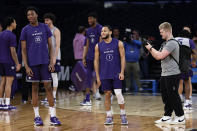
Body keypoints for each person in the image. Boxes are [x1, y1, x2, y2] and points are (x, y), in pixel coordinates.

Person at [20, 7, 61, 126]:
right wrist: (26, 66)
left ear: (37, 15)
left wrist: (52, 61)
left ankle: (53, 116)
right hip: (32, 64)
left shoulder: (44, 27)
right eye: (28, 15)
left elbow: (51, 45)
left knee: (48, 87)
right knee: (34, 88)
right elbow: (23, 50)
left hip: (45, 62)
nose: (30, 17)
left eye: (32, 14)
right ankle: (37, 116)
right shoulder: (25, 30)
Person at [145, 22, 185, 124]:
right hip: (165, 73)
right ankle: (167, 115)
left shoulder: (172, 43)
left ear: (167, 31)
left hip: (173, 73)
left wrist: (149, 48)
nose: (161, 34)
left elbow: (160, 56)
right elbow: (157, 55)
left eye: (162, 32)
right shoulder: (164, 43)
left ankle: (180, 116)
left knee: (173, 95)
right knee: (166, 96)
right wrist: (150, 48)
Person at [94, 25, 128, 125]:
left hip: (116, 73)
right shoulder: (98, 46)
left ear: (110, 32)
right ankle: (109, 116)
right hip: (104, 74)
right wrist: (97, 76)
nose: (102, 33)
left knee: (118, 94)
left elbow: (123, 58)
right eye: (101, 31)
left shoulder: (118, 43)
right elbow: (96, 61)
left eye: (105, 31)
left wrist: (122, 72)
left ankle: (123, 115)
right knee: (107, 95)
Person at [81, 12, 102, 105]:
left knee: (101, 76)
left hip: (98, 57)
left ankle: (105, 93)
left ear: (95, 19)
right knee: (88, 77)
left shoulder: (100, 28)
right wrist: (83, 57)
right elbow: (87, 44)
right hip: (89, 57)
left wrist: (99, 56)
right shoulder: (88, 30)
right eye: (88, 19)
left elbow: (101, 44)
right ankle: (87, 98)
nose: (89, 20)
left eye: (91, 19)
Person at [0, 17, 21, 110]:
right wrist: (17, 63)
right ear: (11, 23)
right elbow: (12, 51)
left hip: (1, 61)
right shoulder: (12, 36)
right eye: (15, 22)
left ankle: (1, 103)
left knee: (2, 82)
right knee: (9, 83)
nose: (16, 24)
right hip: (9, 61)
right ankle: (7, 104)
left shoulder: (0, 34)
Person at [42, 13, 61, 104]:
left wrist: (54, 58)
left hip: (55, 56)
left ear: (51, 20)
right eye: (45, 20)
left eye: (47, 20)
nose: (45, 22)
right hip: (46, 57)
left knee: (54, 75)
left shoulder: (56, 30)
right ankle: (49, 96)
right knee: (47, 77)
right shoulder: (44, 31)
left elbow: (57, 45)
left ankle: (53, 96)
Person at [175, 30, 196, 110]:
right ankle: (187, 103)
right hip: (185, 64)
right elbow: (194, 53)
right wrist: (194, 62)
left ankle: (177, 100)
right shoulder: (189, 41)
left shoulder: (174, 39)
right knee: (186, 82)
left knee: (177, 82)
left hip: (175, 64)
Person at [69, 26, 86, 91]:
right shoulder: (84, 39)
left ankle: (75, 86)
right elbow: (84, 49)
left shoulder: (75, 39)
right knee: (83, 74)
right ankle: (82, 87)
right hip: (82, 58)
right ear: (83, 31)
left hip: (75, 58)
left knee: (76, 73)